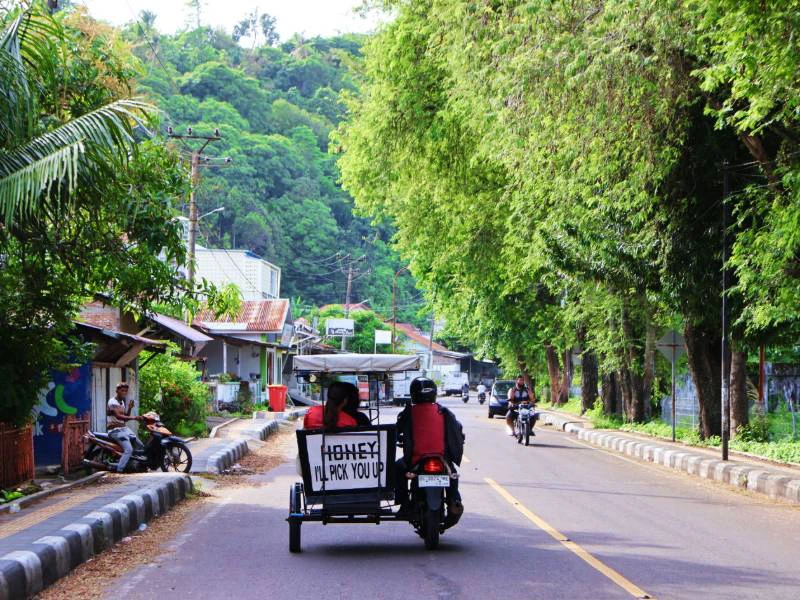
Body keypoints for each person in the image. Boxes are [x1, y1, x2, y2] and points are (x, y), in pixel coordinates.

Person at [395, 377, 464, 525]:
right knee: (452, 475)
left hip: (414, 460)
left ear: (413, 394)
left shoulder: (407, 413)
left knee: (398, 468)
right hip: (441, 459)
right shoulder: (444, 412)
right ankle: (454, 501)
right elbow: (458, 429)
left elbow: (396, 431)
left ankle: (404, 504)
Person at [107, 382, 144, 473]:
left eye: (125, 391)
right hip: (115, 430)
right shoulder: (112, 402)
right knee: (128, 449)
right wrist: (134, 417)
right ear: (117, 391)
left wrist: (130, 408)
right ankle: (119, 470)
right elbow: (119, 416)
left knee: (140, 445)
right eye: (122, 390)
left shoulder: (122, 402)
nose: (124, 392)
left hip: (124, 429)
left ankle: (133, 464)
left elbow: (125, 418)